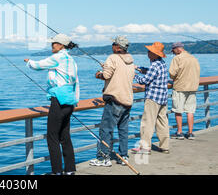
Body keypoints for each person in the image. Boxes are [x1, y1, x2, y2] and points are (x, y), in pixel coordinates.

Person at [24, 33, 79, 175]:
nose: (51, 46)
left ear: (60, 45)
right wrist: (75, 102)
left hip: (58, 101)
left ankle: (57, 171)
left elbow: (39, 65)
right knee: (65, 137)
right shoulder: (71, 60)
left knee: (52, 137)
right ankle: (70, 169)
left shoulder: (58, 57)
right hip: (70, 101)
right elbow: (76, 82)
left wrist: (29, 62)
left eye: (53, 43)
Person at [90, 36, 135, 167]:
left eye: (113, 44)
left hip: (114, 99)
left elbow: (106, 75)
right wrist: (107, 68)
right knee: (123, 130)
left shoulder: (112, 58)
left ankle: (103, 158)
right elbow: (121, 73)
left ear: (118, 47)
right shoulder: (130, 60)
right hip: (127, 100)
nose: (112, 46)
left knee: (105, 130)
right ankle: (123, 156)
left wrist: (98, 73)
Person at [132, 42, 170, 155]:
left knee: (147, 122)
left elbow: (144, 81)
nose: (147, 53)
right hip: (163, 97)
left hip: (153, 97)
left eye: (149, 51)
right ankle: (165, 146)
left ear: (154, 54)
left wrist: (133, 75)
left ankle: (145, 147)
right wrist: (139, 69)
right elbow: (151, 73)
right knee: (162, 122)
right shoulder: (161, 63)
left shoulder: (154, 65)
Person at [169, 42, 201, 140]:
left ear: (177, 49)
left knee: (178, 110)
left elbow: (172, 73)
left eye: (173, 51)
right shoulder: (193, 58)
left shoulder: (177, 58)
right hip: (192, 87)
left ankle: (179, 132)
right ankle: (190, 133)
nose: (173, 53)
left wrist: (174, 78)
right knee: (190, 111)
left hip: (180, 87)